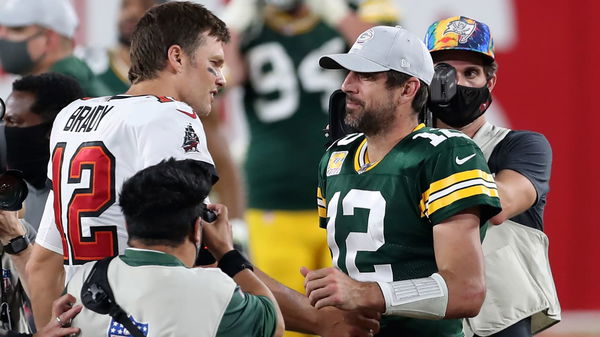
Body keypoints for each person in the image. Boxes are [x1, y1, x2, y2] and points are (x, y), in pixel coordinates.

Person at [25, 1, 228, 328]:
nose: (221, 78)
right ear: (177, 57)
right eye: (214, 63)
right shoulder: (171, 115)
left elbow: (42, 264)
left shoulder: (73, 114)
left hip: (84, 315)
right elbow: (197, 254)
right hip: (145, 319)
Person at [300, 25, 502, 336]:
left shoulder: (445, 154)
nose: (347, 86)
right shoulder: (335, 157)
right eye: (349, 73)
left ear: (408, 89)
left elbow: (467, 290)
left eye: (365, 76)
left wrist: (370, 294)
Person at [220, 3, 396, 335]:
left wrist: (336, 12)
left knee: (354, 318)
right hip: (276, 195)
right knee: (287, 322)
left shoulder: (345, 19)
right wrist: (234, 24)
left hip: (347, 193)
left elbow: (388, 58)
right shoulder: (251, 27)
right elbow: (229, 76)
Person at [424, 16, 561, 337]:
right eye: (444, 72)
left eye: (471, 73)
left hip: (500, 321)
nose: (458, 83)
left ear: (491, 82)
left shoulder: (523, 145)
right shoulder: (407, 147)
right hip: (428, 317)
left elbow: (500, 204)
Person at [66, 158, 284, 337]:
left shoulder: (82, 283)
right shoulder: (216, 292)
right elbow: (273, 323)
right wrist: (226, 252)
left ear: (128, 223)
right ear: (197, 228)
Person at [3, 73, 84, 229]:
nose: (4, 131)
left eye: (13, 121)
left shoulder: (81, 196)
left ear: (52, 131)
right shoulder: (9, 190)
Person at [0, 0, 111, 97]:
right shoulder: (75, 81)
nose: (2, 37)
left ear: (49, 39)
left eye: (16, 29)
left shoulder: (59, 96)